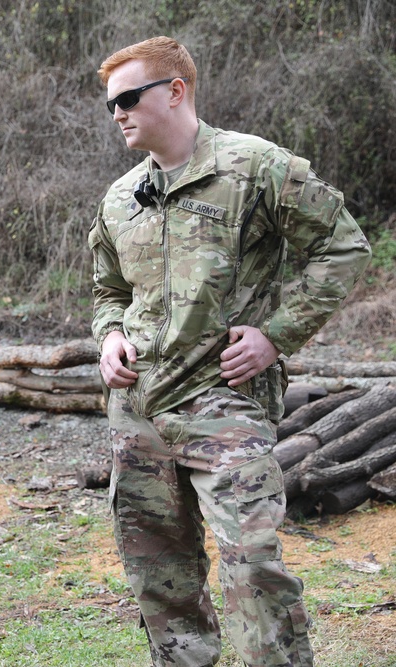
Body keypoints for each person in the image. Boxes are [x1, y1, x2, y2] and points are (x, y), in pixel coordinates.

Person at [89, 36, 372, 666]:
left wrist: (277, 333)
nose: (117, 114)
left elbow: (344, 246)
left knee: (252, 563)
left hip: (225, 401)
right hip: (139, 416)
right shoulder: (120, 197)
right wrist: (109, 336)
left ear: (175, 91)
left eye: (128, 98)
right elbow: (108, 289)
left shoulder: (255, 167)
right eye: (109, 105)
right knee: (157, 573)